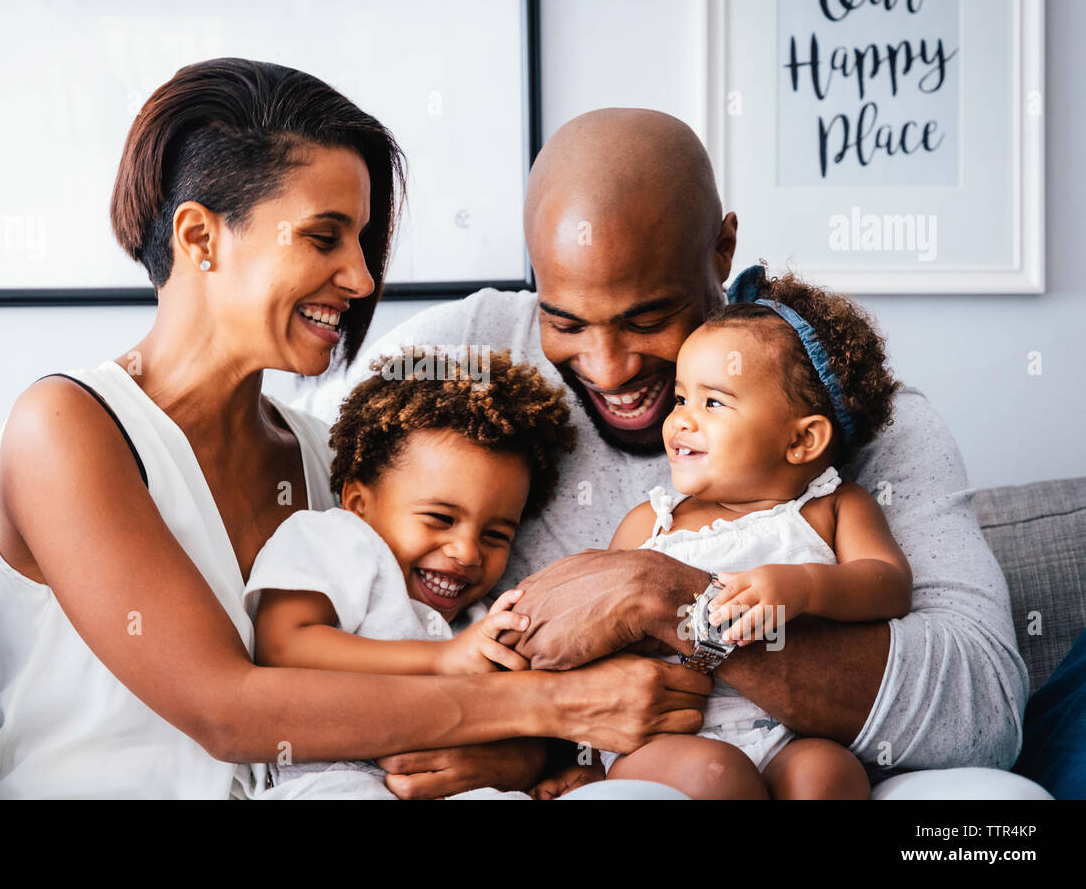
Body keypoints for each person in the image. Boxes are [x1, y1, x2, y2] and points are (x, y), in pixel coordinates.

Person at [0, 61, 686, 799]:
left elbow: (382, 670)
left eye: (363, 242)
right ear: (200, 236)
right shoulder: (67, 427)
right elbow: (227, 709)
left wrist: (526, 754)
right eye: (324, 237)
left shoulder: (324, 455)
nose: (364, 279)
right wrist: (559, 708)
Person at [295, 107, 1049, 799]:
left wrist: (664, 596)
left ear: (722, 247)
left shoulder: (842, 409)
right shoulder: (453, 357)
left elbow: (982, 713)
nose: (609, 367)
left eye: (648, 318)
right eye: (565, 321)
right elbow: (311, 590)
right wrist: (537, 743)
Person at [600, 267, 913, 799]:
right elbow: (601, 621)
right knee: (717, 775)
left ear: (803, 440)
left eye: (712, 402)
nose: (681, 421)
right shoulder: (651, 522)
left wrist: (806, 587)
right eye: (680, 399)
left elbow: (889, 584)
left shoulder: (830, 509)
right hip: (670, 739)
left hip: (789, 734)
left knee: (830, 773)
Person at [245, 347, 575, 798]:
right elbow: (283, 645)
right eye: (440, 518)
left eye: (496, 535)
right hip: (331, 779)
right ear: (359, 504)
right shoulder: (336, 539)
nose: (467, 552)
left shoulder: (476, 621)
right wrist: (440, 659)